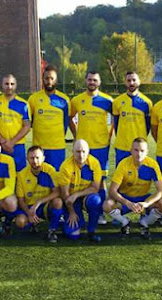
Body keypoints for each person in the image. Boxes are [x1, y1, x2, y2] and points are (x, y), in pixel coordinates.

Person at [104, 138, 162, 239]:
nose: (139, 154)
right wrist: (127, 203)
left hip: (143, 199)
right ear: (131, 150)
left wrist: (146, 203)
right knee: (107, 205)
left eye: (142, 151)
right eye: (136, 150)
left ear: (147, 151)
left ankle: (144, 223)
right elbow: (112, 191)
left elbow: (161, 191)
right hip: (126, 198)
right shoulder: (124, 164)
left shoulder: (152, 165)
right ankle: (125, 222)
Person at [70, 70, 113, 224]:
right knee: (80, 177)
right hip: (83, 148)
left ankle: (100, 212)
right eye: (89, 80)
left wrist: (108, 136)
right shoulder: (77, 100)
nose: (92, 82)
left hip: (101, 147)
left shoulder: (108, 100)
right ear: (85, 81)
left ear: (99, 82)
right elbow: (70, 117)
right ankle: (76, 208)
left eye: (95, 80)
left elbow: (116, 119)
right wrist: (76, 135)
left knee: (100, 180)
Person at [15, 146, 63, 243]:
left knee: (58, 201)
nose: (35, 161)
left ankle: (52, 230)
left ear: (43, 158)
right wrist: (29, 213)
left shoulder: (49, 170)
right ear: (27, 159)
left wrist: (39, 202)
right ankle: (32, 224)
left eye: (37, 158)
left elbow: (57, 192)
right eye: (31, 158)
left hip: (44, 206)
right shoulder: (21, 175)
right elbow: (20, 200)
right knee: (20, 222)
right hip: (29, 207)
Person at [28, 65, 72, 171]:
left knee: (56, 179)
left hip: (57, 147)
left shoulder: (64, 100)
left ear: (56, 80)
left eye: (52, 78)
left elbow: (66, 122)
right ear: (42, 79)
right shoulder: (33, 99)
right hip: (39, 148)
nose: (49, 81)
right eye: (46, 78)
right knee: (39, 180)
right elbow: (30, 121)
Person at [58, 139, 103, 242]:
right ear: (72, 151)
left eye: (84, 152)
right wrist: (72, 212)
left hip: (84, 196)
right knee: (73, 235)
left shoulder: (94, 164)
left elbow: (95, 188)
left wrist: (77, 195)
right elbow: (65, 194)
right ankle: (65, 219)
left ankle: (91, 231)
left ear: (88, 152)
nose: (81, 155)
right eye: (78, 151)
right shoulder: (66, 167)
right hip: (70, 200)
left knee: (95, 200)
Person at [0, 74, 31, 172]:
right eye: (6, 84)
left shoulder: (23, 104)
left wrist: (12, 142)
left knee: (19, 175)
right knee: (0, 175)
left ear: (16, 85)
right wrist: (2, 141)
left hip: (18, 146)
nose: (9, 87)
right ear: (2, 85)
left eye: (12, 84)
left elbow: (27, 126)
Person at [113, 71, 153, 166]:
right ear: (125, 82)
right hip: (122, 147)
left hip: (140, 148)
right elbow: (116, 124)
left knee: (140, 178)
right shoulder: (117, 102)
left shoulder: (147, 103)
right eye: (129, 80)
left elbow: (148, 126)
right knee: (121, 177)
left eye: (134, 80)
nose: (131, 83)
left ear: (139, 82)